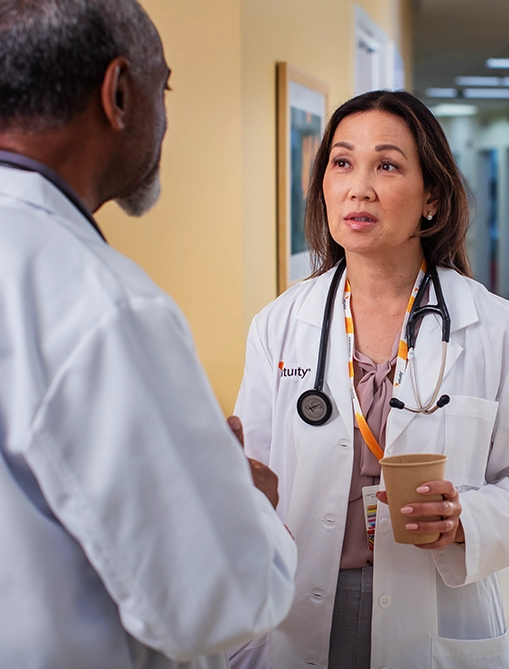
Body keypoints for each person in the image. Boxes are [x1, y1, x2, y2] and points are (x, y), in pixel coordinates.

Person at [0, 2, 296, 668]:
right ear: (120, 93)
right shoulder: (104, 303)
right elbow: (220, 601)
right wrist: (239, 495)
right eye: (166, 88)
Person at [231, 90, 509, 669]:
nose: (358, 186)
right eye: (342, 162)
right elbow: (255, 480)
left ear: (431, 198)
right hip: (297, 608)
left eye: (386, 165)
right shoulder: (280, 324)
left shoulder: (499, 327)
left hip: (433, 615)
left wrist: (467, 520)